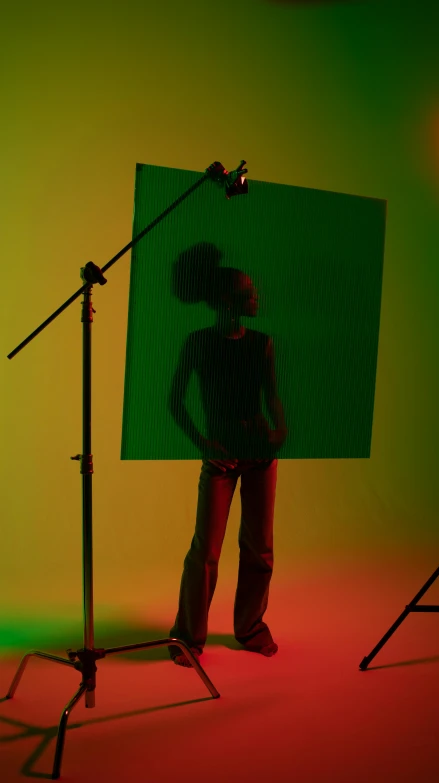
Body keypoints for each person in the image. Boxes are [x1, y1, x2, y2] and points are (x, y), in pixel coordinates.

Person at [168, 243, 287, 667]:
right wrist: (204, 445)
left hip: (260, 455)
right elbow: (174, 402)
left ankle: (251, 629)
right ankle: (187, 637)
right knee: (206, 550)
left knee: (260, 547)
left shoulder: (262, 342)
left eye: (254, 292)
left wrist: (280, 430)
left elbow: (271, 396)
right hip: (219, 457)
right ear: (224, 300)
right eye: (248, 293)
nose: (255, 298)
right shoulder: (199, 342)